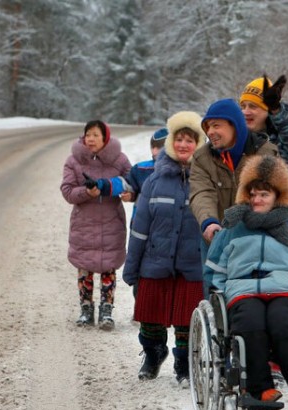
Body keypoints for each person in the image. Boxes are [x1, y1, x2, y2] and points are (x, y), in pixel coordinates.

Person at [204, 155, 288, 410]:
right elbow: (214, 269)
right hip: (243, 290)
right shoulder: (233, 229)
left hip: (284, 288)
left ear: (277, 196)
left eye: (264, 194)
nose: (257, 199)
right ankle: (258, 389)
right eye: (253, 194)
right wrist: (220, 295)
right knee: (250, 323)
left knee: (284, 321)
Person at [121, 111, 206, 386]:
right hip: (155, 261)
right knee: (150, 317)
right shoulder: (154, 181)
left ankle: (184, 363)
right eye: (178, 139)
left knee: (186, 319)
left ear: (198, 144)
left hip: (191, 264)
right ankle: (154, 353)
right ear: (171, 143)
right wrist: (132, 267)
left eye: (189, 140)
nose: (183, 145)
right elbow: (139, 228)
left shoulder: (205, 182)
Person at [60, 120, 131, 330]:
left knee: (109, 266)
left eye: (95, 135)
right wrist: (85, 193)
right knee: (84, 266)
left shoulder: (119, 160)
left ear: (105, 137)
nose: (90, 139)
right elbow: (67, 191)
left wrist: (129, 194)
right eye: (87, 135)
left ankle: (107, 310)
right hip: (84, 222)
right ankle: (86, 309)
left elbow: (132, 183)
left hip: (111, 221)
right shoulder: (74, 161)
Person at [189, 98, 278, 247]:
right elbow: (201, 192)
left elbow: (285, 197)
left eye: (216, 126)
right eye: (208, 127)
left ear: (235, 126)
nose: (210, 132)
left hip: (256, 242)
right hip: (216, 238)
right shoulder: (201, 158)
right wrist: (208, 221)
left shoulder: (266, 154)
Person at [239, 74, 288, 234]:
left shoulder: (287, 140)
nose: (246, 112)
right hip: (250, 222)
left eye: (253, 106)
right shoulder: (240, 140)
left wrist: (277, 109)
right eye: (243, 106)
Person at [120, 128, 168, 224]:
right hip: (140, 222)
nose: (154, 152)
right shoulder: (140, 169)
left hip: (164, 225)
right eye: (152, 147)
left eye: (159, 148)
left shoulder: (180, 171)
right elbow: (129, 186)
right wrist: (130, 195)